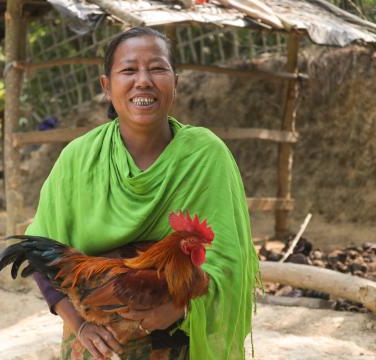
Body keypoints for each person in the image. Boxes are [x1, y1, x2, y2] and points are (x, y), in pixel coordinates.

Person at [26, 27, 259, 360]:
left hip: (181, 340)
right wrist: (81, 327)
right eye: (129, 70)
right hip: (100, 342)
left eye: (158, 68)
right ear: (106, 86)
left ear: (175, 82)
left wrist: (180, 308)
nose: (144, 80)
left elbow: (229, 260)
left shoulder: (207, 155)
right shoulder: (79, 158)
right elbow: (40, 249)